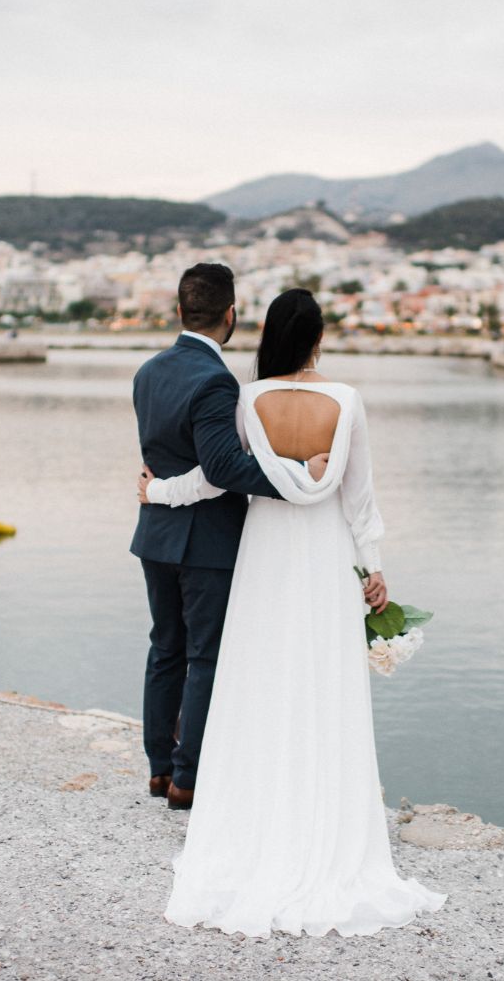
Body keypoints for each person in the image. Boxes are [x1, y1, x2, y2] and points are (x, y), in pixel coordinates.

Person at [137, 288, 446, 938]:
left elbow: (219, 477)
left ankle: (256, 824)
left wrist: (158, 490)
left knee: (261, 685)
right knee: (324, 687)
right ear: (320, 337)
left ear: (270, 334)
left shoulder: (248, 399)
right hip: (327, 558)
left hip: (267, 557)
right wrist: (375, 566)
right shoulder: (348, 401)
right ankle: (325, 825)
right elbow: (360, 498)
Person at [131, 264, 314, 812]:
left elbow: (165, 455)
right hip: (205, 544)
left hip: (155, 538)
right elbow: (221, 468)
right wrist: (299, 475)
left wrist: (159, 492)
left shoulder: (148, 372)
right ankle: (188, 780)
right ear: (231, 315)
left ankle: (160, 771)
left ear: (180, 312)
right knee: (205, 659)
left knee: (165, 650)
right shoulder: (215, 380)